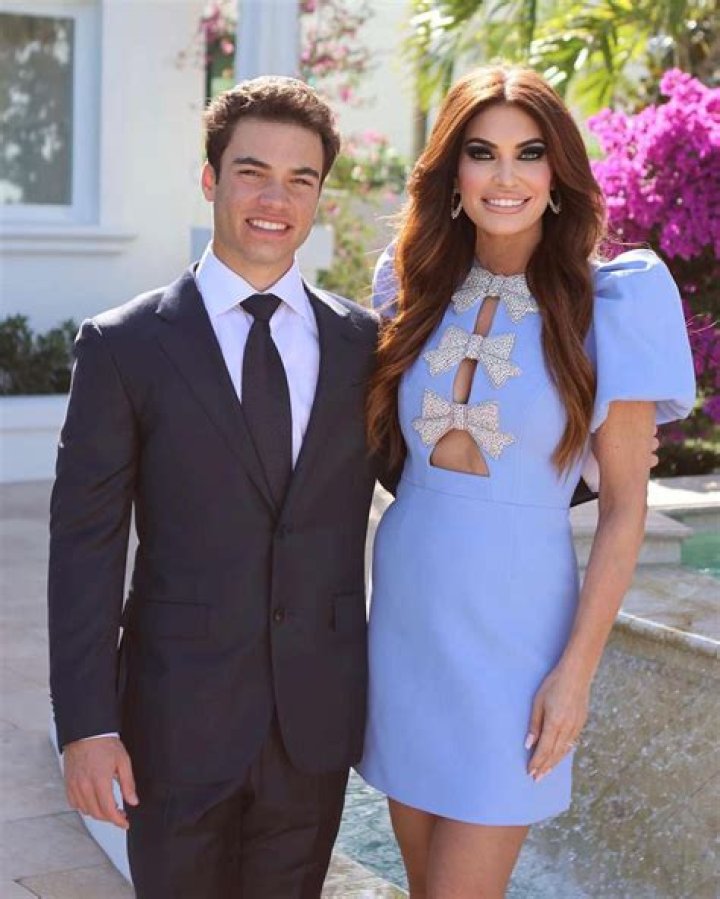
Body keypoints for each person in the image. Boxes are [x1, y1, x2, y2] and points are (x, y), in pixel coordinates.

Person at [357, 65, 696, 898]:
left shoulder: (612, 303)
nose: (505, 176)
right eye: (482, 153)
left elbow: (625, 510)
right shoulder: (408, 285)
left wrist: (574, 675)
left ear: (557, 172)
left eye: (529, 153)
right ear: (452, 173)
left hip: (517, 632)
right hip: (406, 616)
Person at [48, 76, 386, 898]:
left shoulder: (364, 347)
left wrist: (590, 469)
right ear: (210, 179)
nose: (276, 199)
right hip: (174, 725)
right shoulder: (125, 346)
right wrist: (87, 725)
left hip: (313, 724)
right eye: (252, 172)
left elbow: (439, 481)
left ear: (320, 195)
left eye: (300, 179)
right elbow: (86, 549)